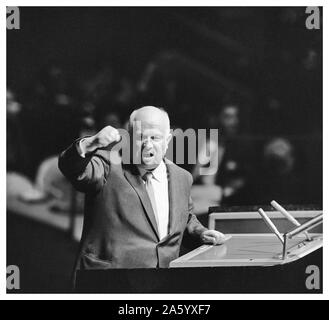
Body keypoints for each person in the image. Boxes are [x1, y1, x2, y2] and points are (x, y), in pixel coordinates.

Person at [58, 106, 225, 281]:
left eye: (155, 137)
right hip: (109, 283)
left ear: (167, 140)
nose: (148, 144)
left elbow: (186, 217)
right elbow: (70, 168)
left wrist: (200, 233)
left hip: (162, 285)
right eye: (140, 137)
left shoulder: (181, 177)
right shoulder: (107, 164)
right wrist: (90, 144)